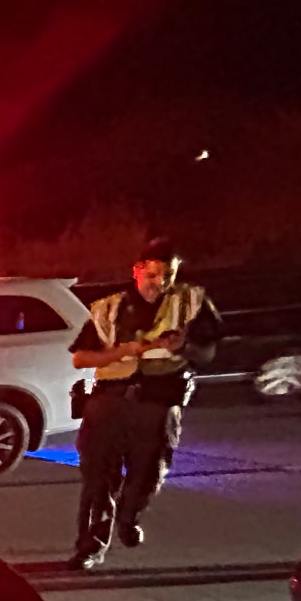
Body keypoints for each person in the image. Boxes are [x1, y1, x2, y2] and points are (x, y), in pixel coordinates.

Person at [66, 238, 222, 571]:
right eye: (153, 276)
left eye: (167, 276)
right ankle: (89, 548)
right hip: (109, 402)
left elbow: (208, 354)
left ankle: (129, 515)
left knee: (148, 475)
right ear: (137, 271)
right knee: (97, 480)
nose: (160, 284)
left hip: (159, 404)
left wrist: (186, 347)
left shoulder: (192, 302)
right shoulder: (108, 308)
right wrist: (122, 351)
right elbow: (80, 357)